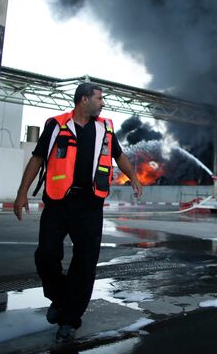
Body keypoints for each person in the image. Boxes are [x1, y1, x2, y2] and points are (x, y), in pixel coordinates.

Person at [13, 82, 143, 343]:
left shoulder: (105, 128)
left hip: (90, 206)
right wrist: (22, 193)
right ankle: (60, 299)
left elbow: (119, 156)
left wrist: (134, 177)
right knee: (46, 256)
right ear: (84, 100)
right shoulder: (56, 125)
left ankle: (69, 320)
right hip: (58, 203)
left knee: (84, 265)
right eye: (99, 98)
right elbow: (37, 159)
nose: (103, 103)